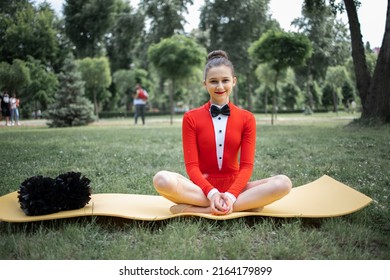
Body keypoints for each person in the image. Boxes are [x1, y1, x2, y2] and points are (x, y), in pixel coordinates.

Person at [153, 50, 292, 215]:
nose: (220, 86)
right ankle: (245, 205)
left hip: (236, 189)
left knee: (283, 183)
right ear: (205, 83)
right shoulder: (190, 117)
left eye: (225, 80)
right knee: (161, 179)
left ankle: (205, 209)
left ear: (234, 81)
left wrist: (232, 195)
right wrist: (211, 193)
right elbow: (192, 167)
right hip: (200, 189)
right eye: (213, 81)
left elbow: (246, 167)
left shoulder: (247, 118)